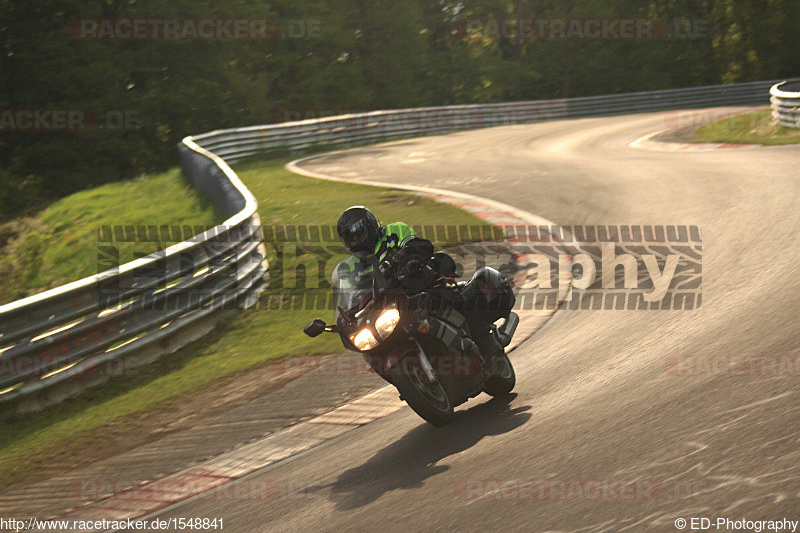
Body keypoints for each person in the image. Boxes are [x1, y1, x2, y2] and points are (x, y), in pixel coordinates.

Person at [335, 205, 507, 360]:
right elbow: (351, 294)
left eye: (359, 233)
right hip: (388, 302)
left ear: (370, 226)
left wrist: (412, 260)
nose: (357, 241)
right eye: (351, 238)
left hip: (419, 284)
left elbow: (416, 245)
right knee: (371, 348)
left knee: (451, 297)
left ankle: (486, 339)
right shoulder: (351, 266)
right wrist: (346, 318)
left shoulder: (394, 231)